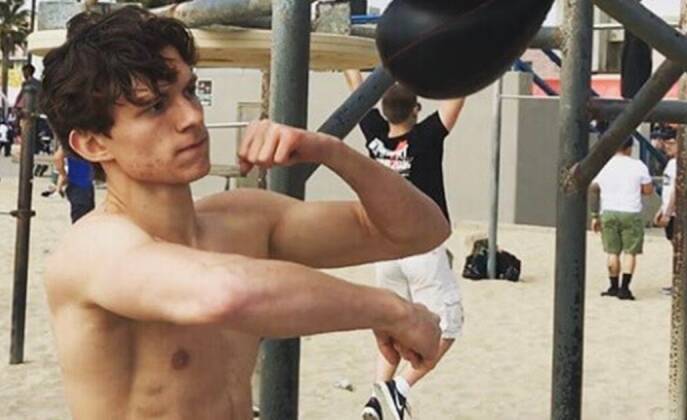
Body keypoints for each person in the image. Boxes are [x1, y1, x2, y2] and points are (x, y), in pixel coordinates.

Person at [41, 8, 447, 419]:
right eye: (156, 106)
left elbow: (422, 231)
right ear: (93, 144)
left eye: (189, 91)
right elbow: (225, 294)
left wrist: (331, 151)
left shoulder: (243, 219)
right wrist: (393, 310)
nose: (192, 117)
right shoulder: (91, 248)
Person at [344, 70, 466, 420]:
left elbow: (356, 88)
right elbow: (459, 96)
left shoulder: (374, 136)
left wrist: (353, 62)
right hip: (423, 248)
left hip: (386, 250)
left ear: (384, 111)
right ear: (416, 109)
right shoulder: (426, 137)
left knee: (393, 327)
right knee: (449, 326)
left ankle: (376, 399)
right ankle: (399, 388)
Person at [590, 139, 654, 300]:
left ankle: (613, 286)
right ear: (629, 148)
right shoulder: (638, 166)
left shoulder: (604, 165)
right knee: (630, 252)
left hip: (608, 210)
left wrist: (594, 215)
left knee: (612, 252)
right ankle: (624, 288)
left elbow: (594, 188)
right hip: (631, 211)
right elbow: (648, 190)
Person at [652, 127, 678, 295]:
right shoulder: (671, 163)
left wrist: (668, 212)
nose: (667, 146)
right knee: (674, 246)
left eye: (671, 143)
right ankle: (676, 281)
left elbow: (677, 190)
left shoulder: (680, 163)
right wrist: (661, 210)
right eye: (666, 143)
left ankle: (679, 282)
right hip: (669, 209)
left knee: (678, 248)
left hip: (676, 213)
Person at [52, 146, 96, 223]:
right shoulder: (78, 140)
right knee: (83, 220)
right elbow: (57, 157)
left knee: (83, 219)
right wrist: (63, 174)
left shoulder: (70, 141)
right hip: (82, 185)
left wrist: (63, 174)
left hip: (77, 184)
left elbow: (58, 158)